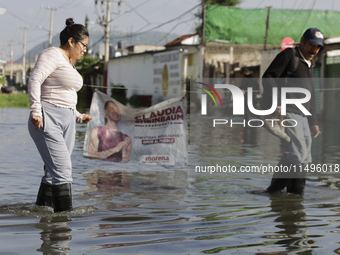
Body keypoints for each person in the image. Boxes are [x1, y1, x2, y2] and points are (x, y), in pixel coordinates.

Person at [28, 18, 92, 212]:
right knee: (63, 171)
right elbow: (35, 80)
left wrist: (79, 116)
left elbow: (66, 95)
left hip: (67, 121)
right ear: (71, 41)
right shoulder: (52, 54)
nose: (85, 50)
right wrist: (36, 110)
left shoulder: (70, 63)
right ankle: (63, 223)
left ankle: (44, 216)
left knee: (52, 173)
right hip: (48, 118)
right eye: (83, 45)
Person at [261, 27, 323, 194]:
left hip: (303, 116)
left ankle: (290, 193)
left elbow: (311, 96)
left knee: (305, 158)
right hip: (289, 112)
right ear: (302, 41)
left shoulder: (309, 64)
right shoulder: (289, 56)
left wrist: (313, 123)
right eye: (311, 45)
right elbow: (268, 78)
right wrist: (278, 102)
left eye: (318, 47)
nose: (314, 50)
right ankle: (283, 192)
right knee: (298, 155)